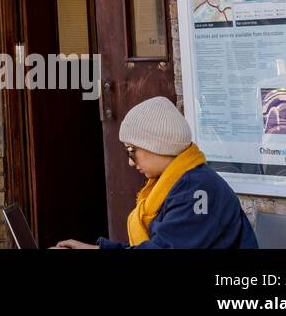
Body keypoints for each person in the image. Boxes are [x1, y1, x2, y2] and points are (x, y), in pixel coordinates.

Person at [54, 96, 257, 250]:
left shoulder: (196, 189)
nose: (130, 162)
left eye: (131, 151)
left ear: (156, 145)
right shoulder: (180, 182)